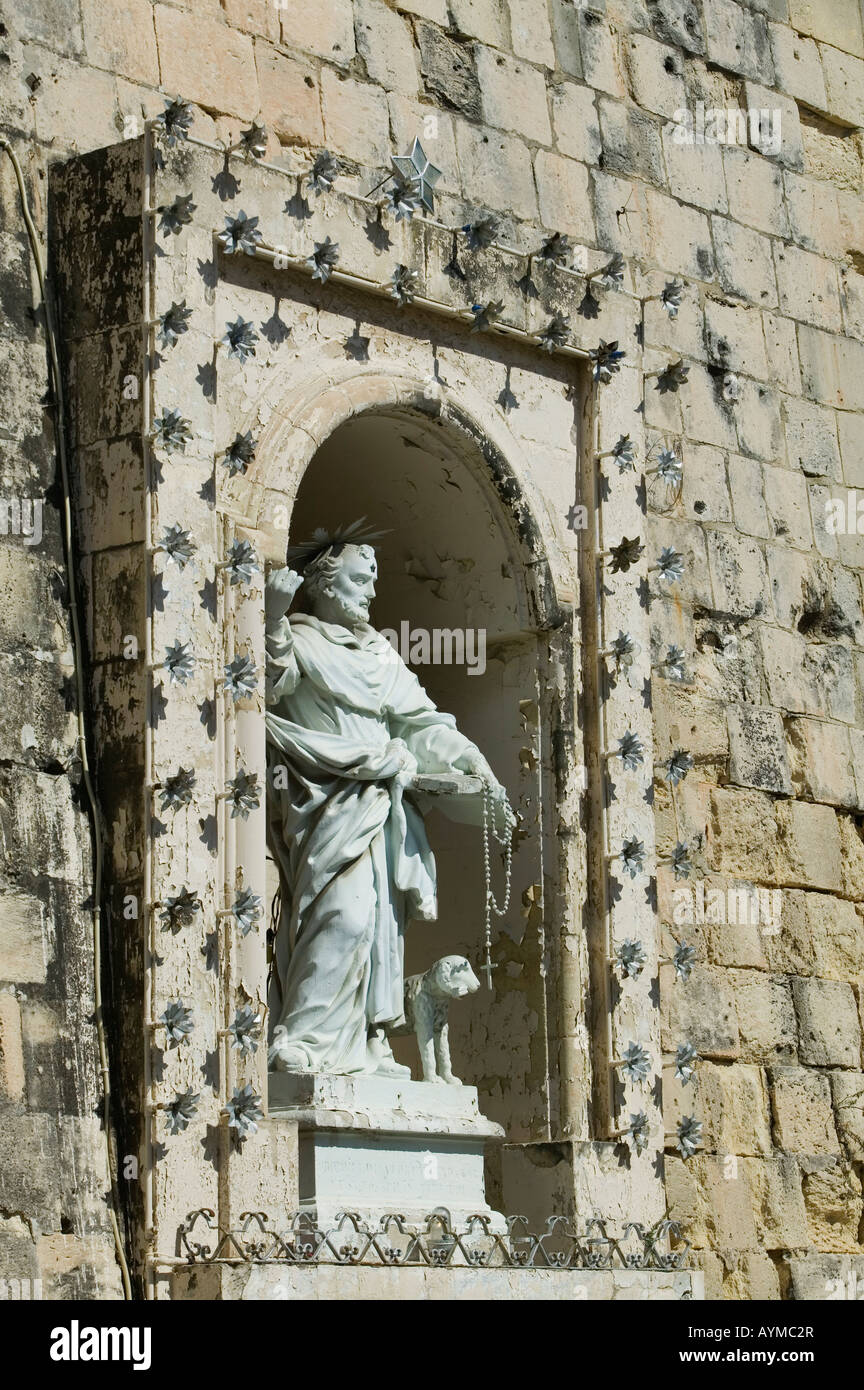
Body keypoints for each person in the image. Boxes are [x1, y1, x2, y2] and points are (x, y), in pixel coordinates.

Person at [264, 528, 511, 1077]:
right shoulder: (300, 638)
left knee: (379, 926)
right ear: (325, 583)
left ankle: (370, 1040)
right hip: (324, 800)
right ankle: (304, 1040)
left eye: (374, 582)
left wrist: (467, 757)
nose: (372, 592)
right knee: (344, 915)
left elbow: (420, 724)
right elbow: (268, 687)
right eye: (359, 578)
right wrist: (273, 619)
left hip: (382, 802)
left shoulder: (380, 654)